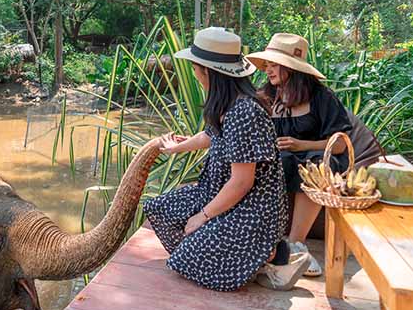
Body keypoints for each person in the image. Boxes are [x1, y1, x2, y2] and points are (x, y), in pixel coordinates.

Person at [143, 26, 310, 292]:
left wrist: (203, 216)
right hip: (218, 194)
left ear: (208, 71)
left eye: (196, 68)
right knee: (159, 208)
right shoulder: (226, 103)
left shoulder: (244, 112)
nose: (195, 74)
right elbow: (210, 134)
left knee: (185, 259)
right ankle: (246, 259)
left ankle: (268, 255)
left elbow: (242, 182)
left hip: (251, 211)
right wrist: (178, 147)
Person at [247, 33, 353, 278]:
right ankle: (264, 242)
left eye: (274, 65)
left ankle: (296, 245)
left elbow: (339, 145)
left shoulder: (321, 97)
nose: (268, 70)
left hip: (315, 159)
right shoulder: (265, 95)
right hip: (280, 160)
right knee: (278, 161)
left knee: (312, 166)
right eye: (267, 65)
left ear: (291, 69)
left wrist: (300, 144)